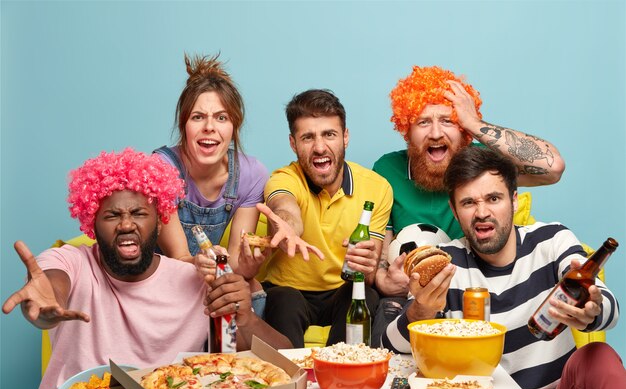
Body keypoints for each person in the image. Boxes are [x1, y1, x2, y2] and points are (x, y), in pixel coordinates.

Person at [2, 149, 291, 389]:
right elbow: (51, 287)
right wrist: (48, 305)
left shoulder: (198, 281)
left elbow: (280, 368)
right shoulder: (72, 262)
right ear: (92, 222)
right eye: (112, 215)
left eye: (139, 213)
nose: (126, 224)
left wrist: (245, 319)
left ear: (161, 219)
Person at [382, 146, 624, 389]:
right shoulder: (445, 263)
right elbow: (391, 347)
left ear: (514, 200)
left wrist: (591, 309)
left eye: (493, 198)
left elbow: (605, 304)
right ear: (454, 209)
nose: (482, 212)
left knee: (598, 358)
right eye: (468, 202)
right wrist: (421, 311)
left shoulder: (552, 240)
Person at [371, 66, 566, 344]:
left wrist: (474, 123)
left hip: (477, 290)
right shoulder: (388, 169)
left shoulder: (485, 163)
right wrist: (382, 280)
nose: (436, 133)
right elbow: (378, 251)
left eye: (448, 121)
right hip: (415, 298)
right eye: (423, 122)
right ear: (407, 130)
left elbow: (553, 167)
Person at [256, 89, 393, 348]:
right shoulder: (284, 177)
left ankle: (343, 369)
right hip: (288, 291)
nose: (319, 147)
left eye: (329, 134)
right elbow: (284, 204)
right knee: (284, 299)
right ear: (293, 143)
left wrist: (366, 262)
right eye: (307, 137)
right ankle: (289, 378)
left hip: (341, 291)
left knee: (364, 293)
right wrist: (287, 225)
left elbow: (370, 265)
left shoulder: (378, 188)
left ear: (345, 137)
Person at [154, 54, 269, 317]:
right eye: (197, 117)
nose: (209, 127)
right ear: (184, 124)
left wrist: (248, 266)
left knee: (251, 287)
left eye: (221, 117)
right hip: (166, 275)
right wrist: (200, 262)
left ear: (234, 125)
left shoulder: (251, 174)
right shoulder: (162, 168)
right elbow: (179, 257)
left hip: (209, 273)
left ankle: (238, 359)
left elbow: (237, 264)